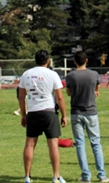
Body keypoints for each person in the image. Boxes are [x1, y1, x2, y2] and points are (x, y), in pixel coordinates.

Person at [19, 50, 67, 183]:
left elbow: (22, 97)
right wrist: (64, 115)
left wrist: (23, 114)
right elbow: (60, 97)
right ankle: (56, 176)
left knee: (29, 144)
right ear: (48, 61)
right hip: (49, 111)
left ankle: (27, 176)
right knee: (53, 145)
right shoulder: (52, 74)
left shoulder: (26, 74)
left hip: (33, 112)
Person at [65, 51, 109, 183]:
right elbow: (97, 89)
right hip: (91, 112)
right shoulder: (94, 74)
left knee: (80, 144)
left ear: (74, 61)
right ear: (87, 60)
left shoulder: (70, 76)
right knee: (95, 143)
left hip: (76, 112)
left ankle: (86, 175)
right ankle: (101, 175)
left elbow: (68, 92)